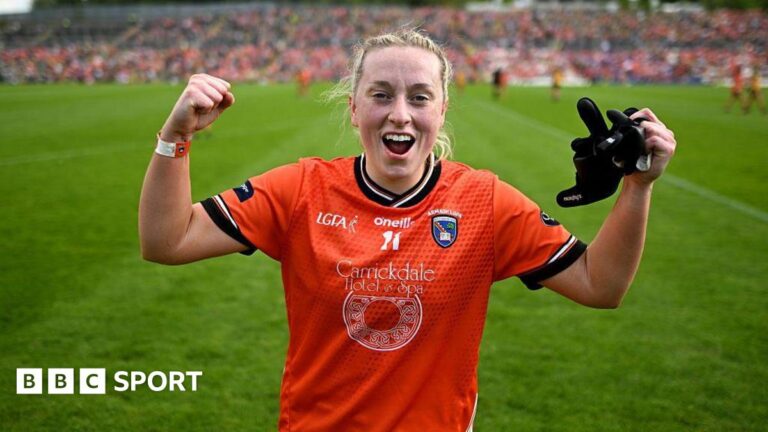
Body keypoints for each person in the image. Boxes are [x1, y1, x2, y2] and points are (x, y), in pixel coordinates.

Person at [139, 29, 676, 431]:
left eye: (419, 97)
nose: (400, 114)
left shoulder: (484, 202)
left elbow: (600, 285)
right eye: (381, 95)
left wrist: (638, 187)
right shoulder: (300, 190)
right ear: (353, 109)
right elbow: (166, 242)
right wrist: (175, 135)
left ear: (441, 111)